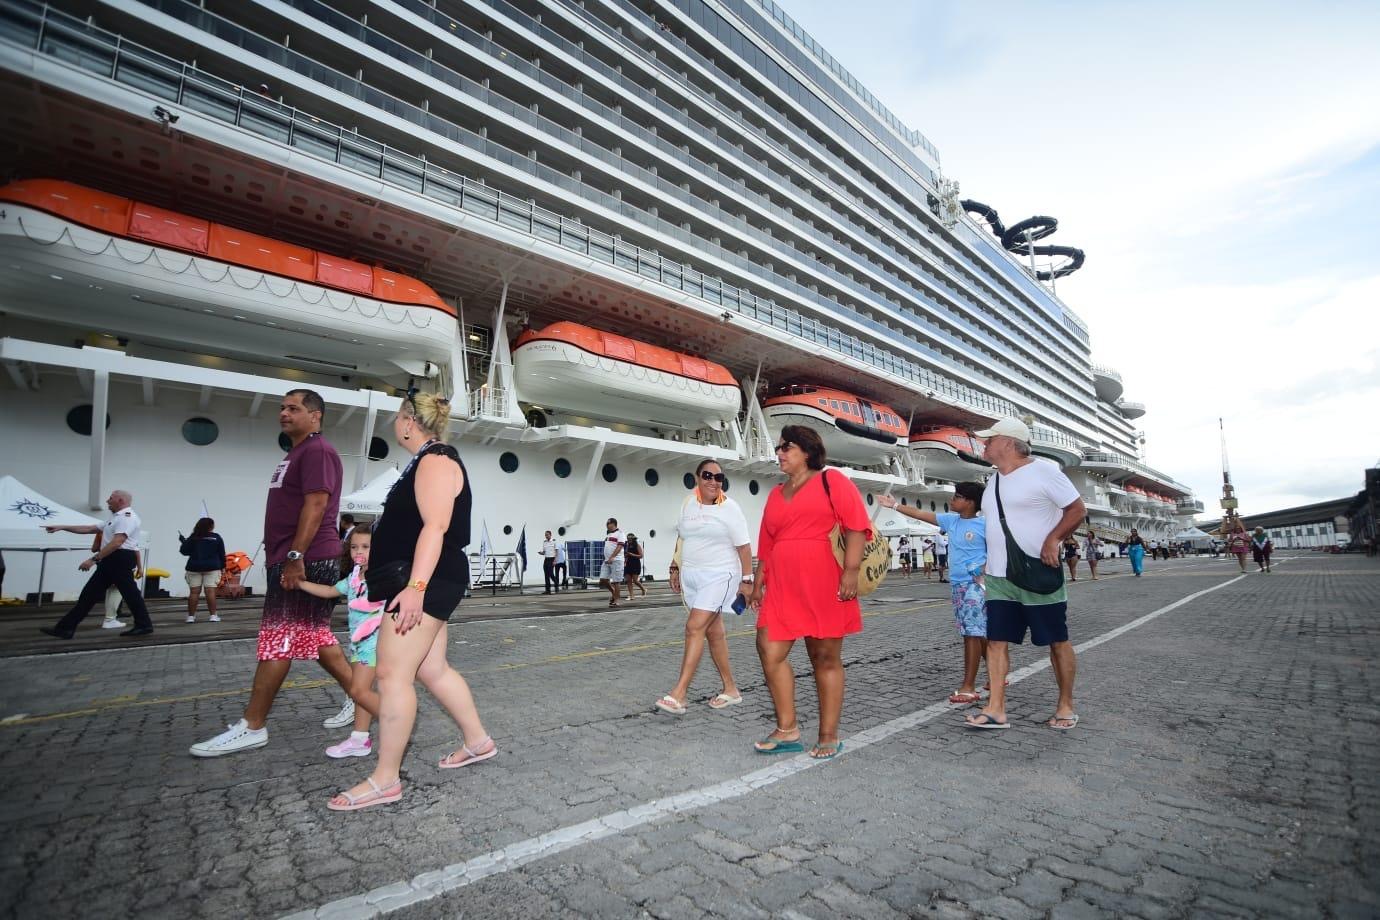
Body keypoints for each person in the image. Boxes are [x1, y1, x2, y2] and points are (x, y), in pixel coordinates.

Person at [327, 389, 495, 811]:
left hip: (426, 580)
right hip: (429, 579)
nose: (394, 423)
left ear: (407, 419)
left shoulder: (437, 461)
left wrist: (416, 590)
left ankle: (386, 779)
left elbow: (435, 527)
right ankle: (477, 741)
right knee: (432, 668)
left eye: (396, 416)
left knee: (391, 674)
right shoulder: (426, 460)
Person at [190, 390, 373, 757]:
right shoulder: (296, 453)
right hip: (296, 557)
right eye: (282, 408)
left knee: (279, 639)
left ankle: (253, 725)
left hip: (306, 558)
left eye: (294, 408)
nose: (284, 414)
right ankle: (362, 698)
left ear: (315, 416)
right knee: (316, 637)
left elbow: (318, 503)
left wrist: (294, 555)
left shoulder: (317, 451)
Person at [749, 425, 869, 759]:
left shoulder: (833, 481)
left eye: (786, 447)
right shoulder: (775, 493)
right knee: (768, 649)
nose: (779, 453)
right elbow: (768, 542)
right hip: (784, 585)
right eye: (779, 447)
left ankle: (828, 734)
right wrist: (758, 581)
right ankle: (787, 729)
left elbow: (857, 526)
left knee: (824, 658)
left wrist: (851, 570)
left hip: (824, 582)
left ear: (807, 450)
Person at [964, 418, 1085, 732]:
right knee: (996, 641)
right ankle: (996, 709)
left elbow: (1076, 510)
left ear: (1007, 442)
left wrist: (1053, 539)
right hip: (999, 576)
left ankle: (1066, 705)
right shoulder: (993, 482)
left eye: (989, 440)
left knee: (1056, 641)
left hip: (1037, 571)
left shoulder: (1044, 471)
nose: (984, 445)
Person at [879, 482, 988, 705]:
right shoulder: (951, 521)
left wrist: (982, 569)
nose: (952, 500)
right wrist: (895, 506)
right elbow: (920, 513)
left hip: (975, 585)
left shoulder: (985, 525)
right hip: (958, 585)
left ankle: (968, 686)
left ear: (969, 502)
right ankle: (998, 672)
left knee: (971, 634)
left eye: (957, 497)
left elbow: (999, 551)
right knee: (976, 632)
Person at [658, 459, 751, 715]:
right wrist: (675, 566)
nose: (713, 481)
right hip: (694, 577)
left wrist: (747, 581)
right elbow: (683, 536)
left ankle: (679, 694)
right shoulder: (688, 503)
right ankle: (730, 689)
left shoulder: (730, 508)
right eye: (708, 476)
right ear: (697, 477)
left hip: (720, 576)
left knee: (694, 627)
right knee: (714, 632)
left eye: (719, 478)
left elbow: (744, 547)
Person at [295, 524, 384, 758]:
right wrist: (301, 583)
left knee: (358, 690)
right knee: (362, 691)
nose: (358, 552)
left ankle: (398, 721)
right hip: (358, 643)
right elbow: (330, 591)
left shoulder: (380, 576)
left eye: (366, 546)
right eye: (354, 547)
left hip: (373, 642)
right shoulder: (355, 575)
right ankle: (359, 739)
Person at [39, 490, 155, 639]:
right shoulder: (115, 518)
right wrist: (62, 527)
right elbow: (89, 529)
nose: (107, 501)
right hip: (113, 559)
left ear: (120, 500)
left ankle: (144, 625)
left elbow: (117, 542)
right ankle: (65, 628)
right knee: (94, 594)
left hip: (119, 558)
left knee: (124, 594)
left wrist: (93, 560)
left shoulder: (127, 518)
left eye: (111, 498)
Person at [180, 517, 227, 623]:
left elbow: (184, 551)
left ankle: (191, 617)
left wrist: (183, 541)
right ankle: (213, 616)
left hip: (194, 567)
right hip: (212, 567)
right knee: (210, 592)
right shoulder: (216, 537)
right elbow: (221, 554)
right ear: (211, 526)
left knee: (194, 593)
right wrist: (223, 566)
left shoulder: (194, 537)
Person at [599, 517, 626, 608]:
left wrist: (612, 557)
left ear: (613, 524)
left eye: (608, 523)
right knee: (603, 579)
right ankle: (614, 592)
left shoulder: (620, 534)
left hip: (616, 560)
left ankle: (616, 600)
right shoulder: (609, 535)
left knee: (616, 581)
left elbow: (620, 546)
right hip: (607, 560)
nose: (606, 525)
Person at [623, 533, 647, 598]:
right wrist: (625, 556)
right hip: (628, 563)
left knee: (635, 581)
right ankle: (631, 595)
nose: (629, 540)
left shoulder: (637, 545)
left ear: (633, 539)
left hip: (635, 563)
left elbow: (641, 556)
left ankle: (643, 589)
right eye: (628, 539)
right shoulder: (626, 545)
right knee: (628, 580)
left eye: (630, 539)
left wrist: (631, 554)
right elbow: (625, 554)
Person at [540, 530, 559, 594]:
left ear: (550, 535)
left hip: (552, 559)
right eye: (545, 535)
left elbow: (556, 552)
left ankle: (556, 583)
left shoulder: (554, 541)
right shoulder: (544, 542)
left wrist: (555, 560)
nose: (546, 536)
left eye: (547, 535)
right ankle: (548, 590)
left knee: (551, 574)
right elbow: (544, 552)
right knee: (546, 575)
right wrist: (541, 553)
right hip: (546, 559)